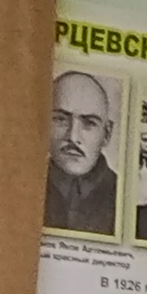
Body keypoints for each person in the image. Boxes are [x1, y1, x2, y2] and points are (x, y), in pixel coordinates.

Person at [47, 71, 119, 235]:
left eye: (89, 123)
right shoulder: (22, 186)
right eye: (60, 119)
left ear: (107, 134)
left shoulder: (122, 195)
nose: (73, 137)